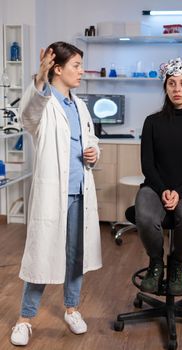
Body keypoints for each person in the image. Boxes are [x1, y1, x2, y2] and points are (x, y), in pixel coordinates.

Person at [10, 41, 102, 346]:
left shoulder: (81, 105)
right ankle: (25, 319)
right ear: (57, 69)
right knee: (41, 253)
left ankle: (72, 309)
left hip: (80, 191)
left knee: (76, 257)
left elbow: (91, 140)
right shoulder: (44, 102)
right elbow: (27, 115)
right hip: (54, 194)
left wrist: (94, 153)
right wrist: (39, 78)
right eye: (76, 65)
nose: (81, 71)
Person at [135, 58, 182, 295]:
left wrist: (178, 192)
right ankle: (156, 263)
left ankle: (177, 263)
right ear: (165, 87)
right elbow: (147, 165)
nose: (177, 89)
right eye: (171, 83)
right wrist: (162, 190)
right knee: (145, 216)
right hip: (154, 187)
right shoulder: (152, 122)